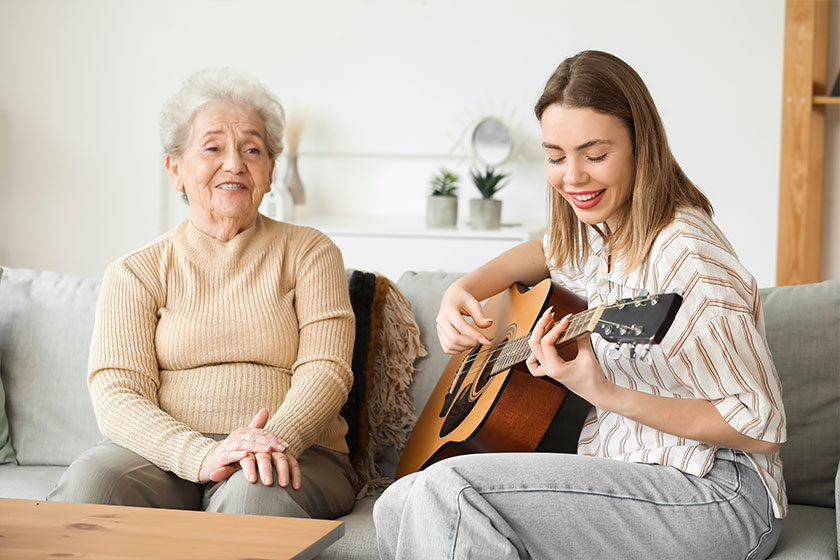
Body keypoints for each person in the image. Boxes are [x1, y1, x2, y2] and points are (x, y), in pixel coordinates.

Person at [373, 50, 786, 559]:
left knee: (448, 488)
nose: (573, 177)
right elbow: (545, 252)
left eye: (594, 155)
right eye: (555, 156)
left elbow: (759, 427)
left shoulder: (689, 254)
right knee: (396, 502)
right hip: (627, 472)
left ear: (641, 146)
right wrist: (466, 288)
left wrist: (602, 392)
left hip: (718, 491)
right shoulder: (602, 229)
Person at [48, 68, 357, 519]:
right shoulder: (136, 271)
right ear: (175, 169)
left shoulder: (311, 252)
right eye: (212, 148)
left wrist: (269, 441)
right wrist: (199, 455)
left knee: (257, 493)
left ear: (270, 171)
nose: (234, 163)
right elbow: (117, 392)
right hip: (162, 457)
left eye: (252, 150)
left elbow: (326, 370)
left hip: (295, 451)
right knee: (91, 484)